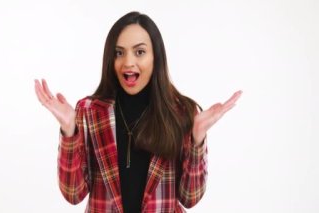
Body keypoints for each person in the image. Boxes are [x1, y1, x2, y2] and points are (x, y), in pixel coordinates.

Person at [34, 11, 242, 213]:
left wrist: (197, 138)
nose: (128, 62)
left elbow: (190, 198)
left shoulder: (181, 113)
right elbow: (73, 194)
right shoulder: (89, 112)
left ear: (155, 57)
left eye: (139, 52)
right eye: (119, 52)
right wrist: (69, 130)